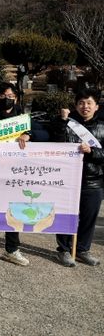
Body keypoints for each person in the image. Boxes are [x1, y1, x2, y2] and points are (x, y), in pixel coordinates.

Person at [0, 82, 48, 269]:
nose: (7, 99)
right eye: (3, 96)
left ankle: (12, 249)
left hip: (15, 170)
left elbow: (44, 133)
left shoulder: (22, 117)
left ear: (16, 98)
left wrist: (29, 134)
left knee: (15, 209)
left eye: (10, 96)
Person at [51, 88, 103, 267]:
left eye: (89, 103)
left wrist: (92, 152)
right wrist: (61, 121)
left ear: (96, 106)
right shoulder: (67, 123)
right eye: (81, 103)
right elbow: (56, 143)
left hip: (93, 181)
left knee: (89, 218)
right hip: (68, 180)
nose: (85, 106)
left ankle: (82, 249)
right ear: (75, 105)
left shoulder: (102, 126)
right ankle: (64, 250)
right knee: (66, 215)